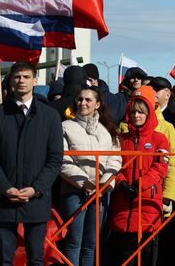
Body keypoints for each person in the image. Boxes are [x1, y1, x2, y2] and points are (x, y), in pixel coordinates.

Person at [0, 61, 64, 265]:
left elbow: (55, 159)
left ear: (35, 81)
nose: (21, 81)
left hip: (36, 199)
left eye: (26, 77)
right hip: (4, 199)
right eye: (17, 76)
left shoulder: (50, 116)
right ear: (10, 80)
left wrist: (36, 189)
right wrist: (5, 187)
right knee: (4, 259)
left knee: (36, 258)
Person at [59, 86, 122, 265]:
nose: (83, 103)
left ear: (98, 104)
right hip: (74, 190)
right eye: (80, 99)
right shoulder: (65, 126)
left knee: (91, 243)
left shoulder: (107, 130)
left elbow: (115, 160)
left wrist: (102, 186)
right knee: (74, 240)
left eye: (88, 100)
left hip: (101, 193)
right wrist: (86, 183)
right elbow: (62, 160)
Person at [108, 86, 170, 265]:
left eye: (141, 112)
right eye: (133, 111)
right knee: (124, 255)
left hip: (148, 204)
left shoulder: (159, 139)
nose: (136, 116)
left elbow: (160, 167)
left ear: (149, 113)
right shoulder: (121, 139)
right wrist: (121, 183)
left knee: (148, 255)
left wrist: (139, 184)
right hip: (122, 204)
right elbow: (114, 165)